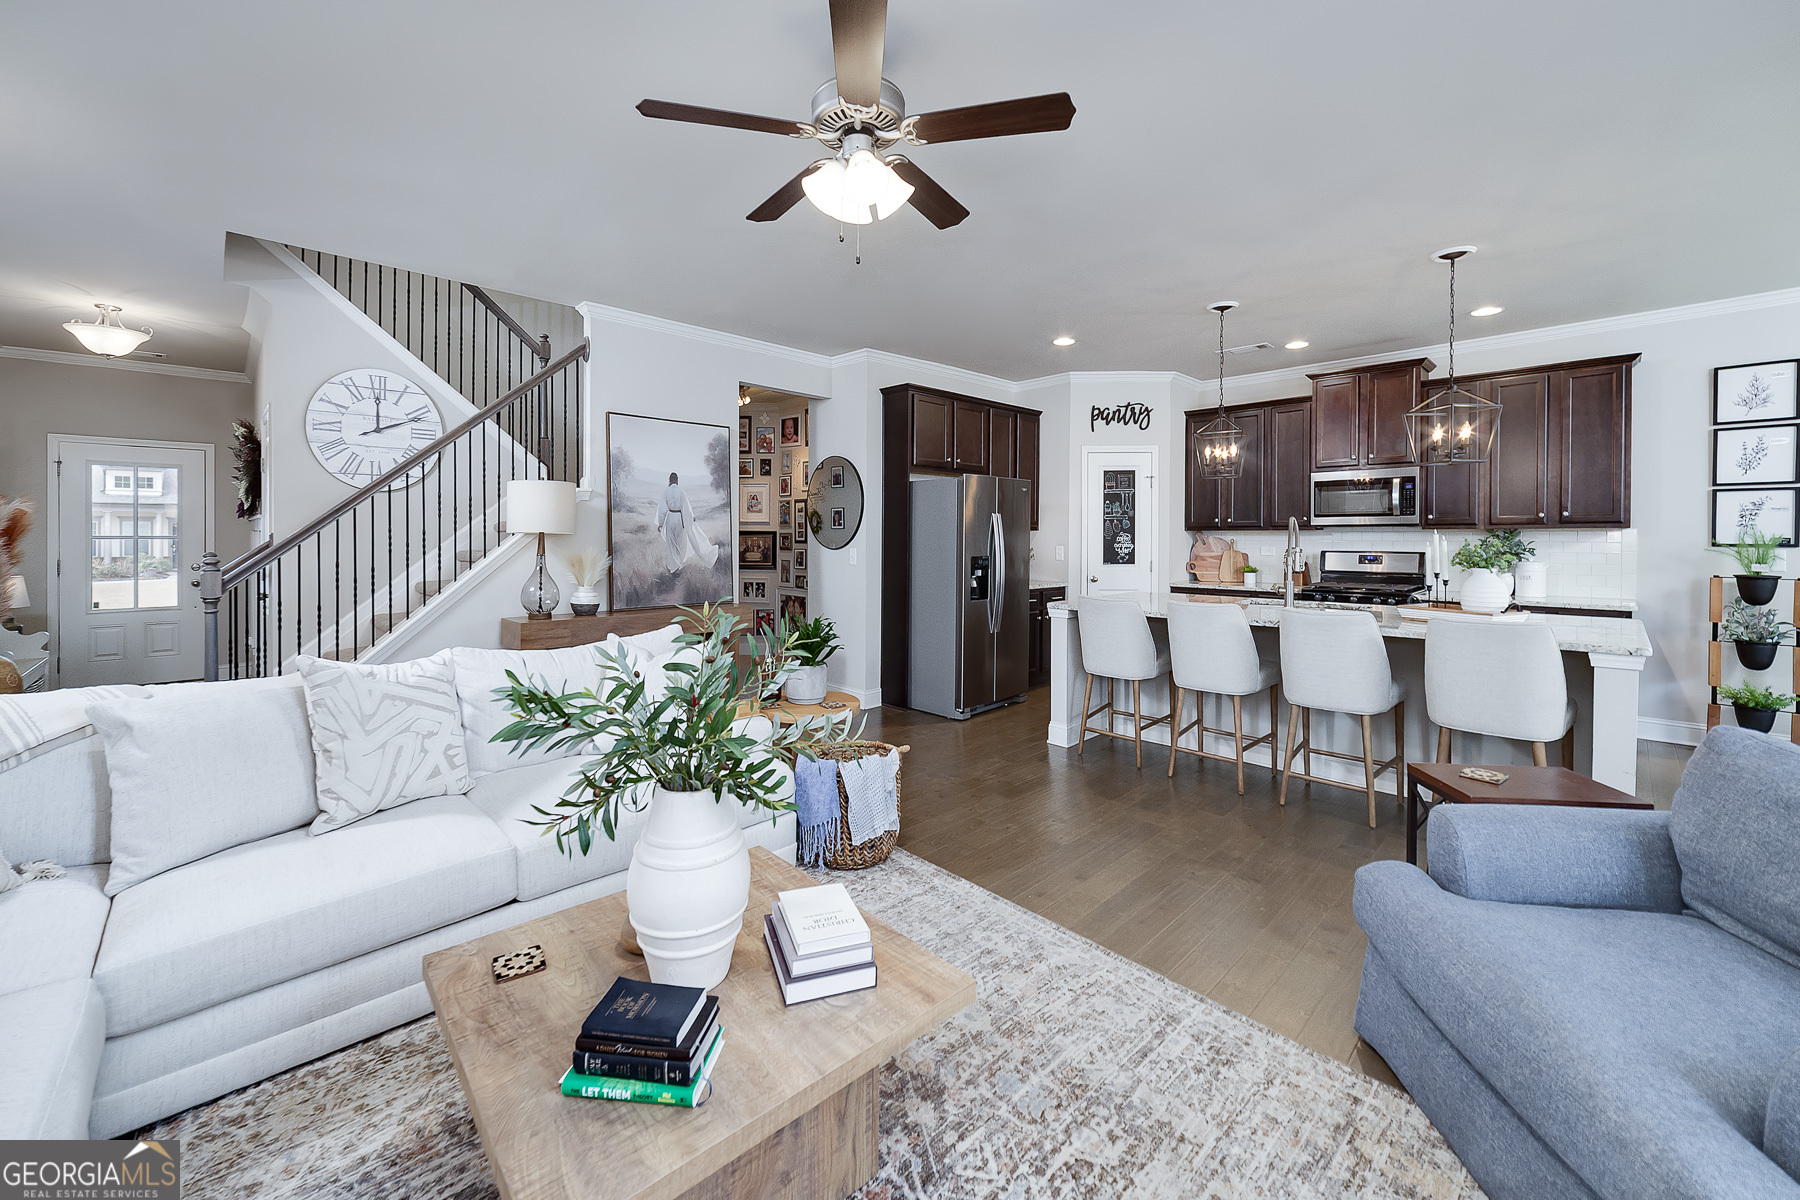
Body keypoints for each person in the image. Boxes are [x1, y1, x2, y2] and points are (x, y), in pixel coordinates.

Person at [656, 471, 716, 572]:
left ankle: (674, 567)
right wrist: (691, 517)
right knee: (679, 542)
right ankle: (677, 565)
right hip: (680, 519)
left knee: (671, 544)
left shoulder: (666, 491)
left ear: (670, 480)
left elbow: (662, 509)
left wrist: (661, 524)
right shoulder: (681, 491)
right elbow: (686, 507)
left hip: (670, 517)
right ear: (677, 480)